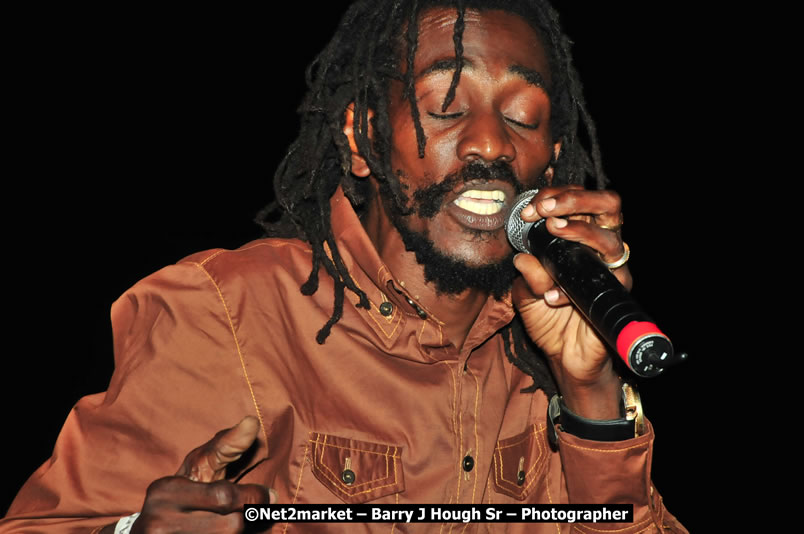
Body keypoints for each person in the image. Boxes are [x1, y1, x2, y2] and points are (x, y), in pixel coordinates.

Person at [2, 0, 688, 532]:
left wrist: (591, 394)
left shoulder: (544, 354)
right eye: (446, 106)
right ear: (363, 138)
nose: (490, 142)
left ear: (552, 163)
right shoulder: (228, 312)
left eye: (523, 115)